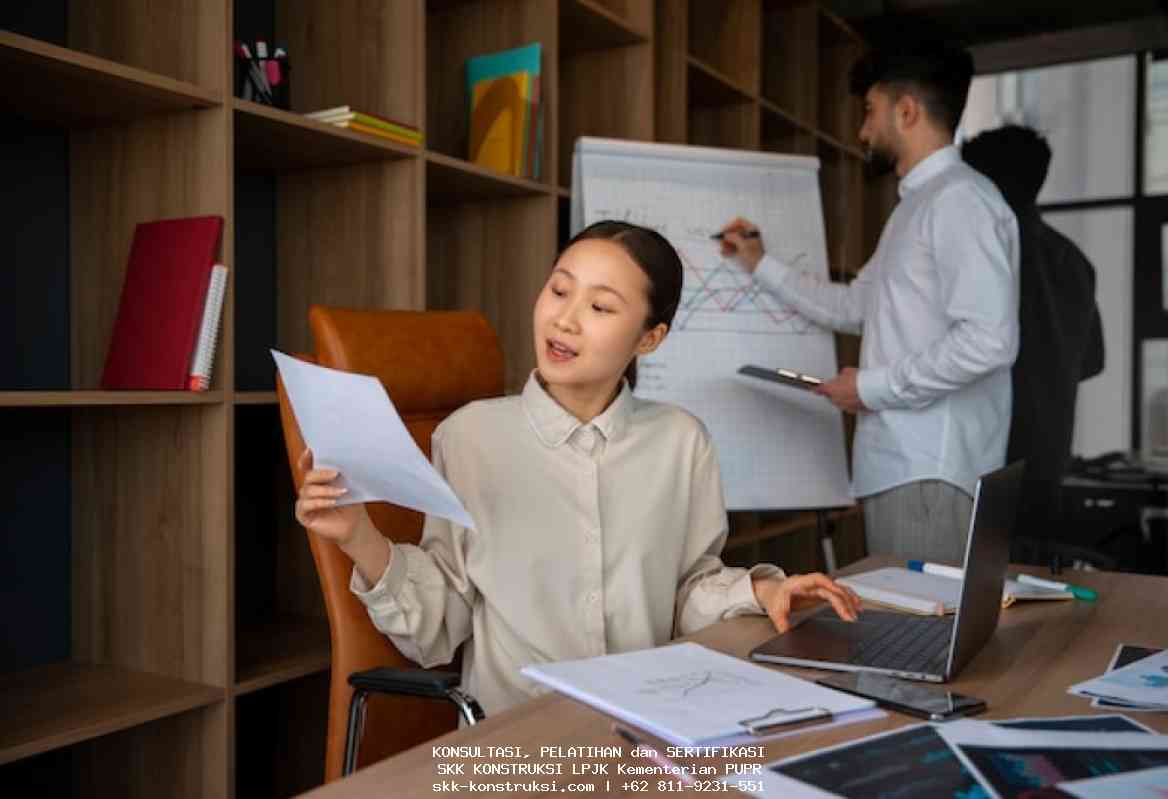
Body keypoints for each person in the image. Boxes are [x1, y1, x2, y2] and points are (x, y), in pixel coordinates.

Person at [293, 220, 862, 717]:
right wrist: (358, 536)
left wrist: (764, 589)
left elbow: (685, 590)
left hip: (647, 724)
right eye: (559, 290)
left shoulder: (681, 442)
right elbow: (440, 624)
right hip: (518, 742)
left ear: (650, 338)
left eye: (600, 307)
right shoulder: (468, 437)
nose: (565, 319)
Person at [717, 42, 1019, 566]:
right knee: (909, 632)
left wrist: (871, 388)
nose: (862, 132)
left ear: (907, 112)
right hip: (903, 467)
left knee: (923, 638)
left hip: (929, 469)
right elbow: (854, 305)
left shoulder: (959, 202)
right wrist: (759, 262)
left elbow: (989, 341)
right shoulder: (916, 208)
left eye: (869, 112)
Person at [961, 125, 1105, 558]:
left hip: (985, 458)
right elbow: (1093, 361)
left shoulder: (987, 253)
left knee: (971, 594)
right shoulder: (1075, 260)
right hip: (1048, 460)